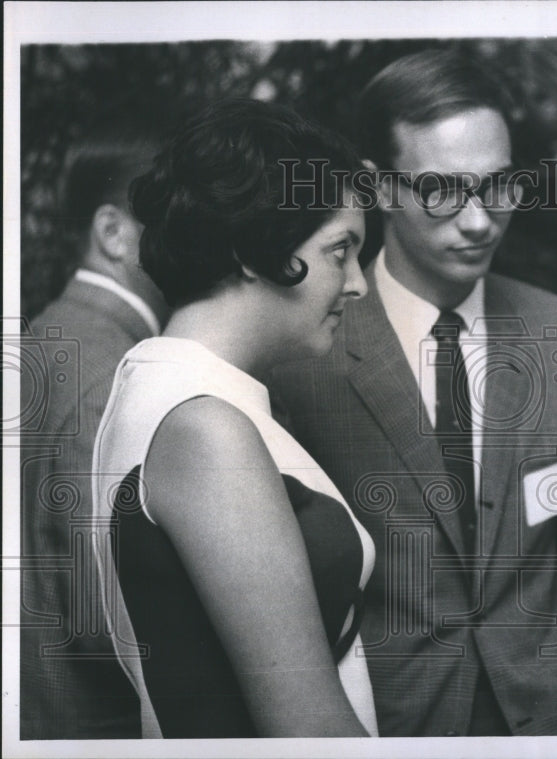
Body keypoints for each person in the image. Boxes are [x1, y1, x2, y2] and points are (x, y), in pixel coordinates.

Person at [270, 49, 557, 737]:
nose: (479, 221)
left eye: (498, 186)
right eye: (443, 189)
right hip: (394, 722)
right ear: (379, 188)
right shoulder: (306, 351)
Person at [89, 98, 377, 738]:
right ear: (255, 248)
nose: (358, 283)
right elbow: (308, 729)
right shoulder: (203, 425)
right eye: (340, 251)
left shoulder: (166, 384)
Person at [20, 121, 168, 739]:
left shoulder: (47, 336)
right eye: (174, 219)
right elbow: (103, 613)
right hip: (90, 728)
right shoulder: (111, 372)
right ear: (112, 233)